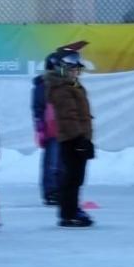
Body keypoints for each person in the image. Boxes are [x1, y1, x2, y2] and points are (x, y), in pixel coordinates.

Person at [45, 50, 95, 229]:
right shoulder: (61, 89)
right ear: (62, 69)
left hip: (79, 137)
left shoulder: (73, 85)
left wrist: (86, 138)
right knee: (72, 177)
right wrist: (79, 139)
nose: (76, 72)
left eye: (77, 69)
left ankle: (72, 209)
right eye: (72, 69)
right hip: (72, 139)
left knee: (77, 177)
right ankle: (68, 213)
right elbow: (68, 116)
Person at [31, 51, 63, 206]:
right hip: (51, 129)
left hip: (66, 128)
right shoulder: (43, 85)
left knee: (64, 162)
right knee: (52, 161)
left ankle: (62, 189)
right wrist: (40, 127)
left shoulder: (66, 84)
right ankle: (50, 191)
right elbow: (38, 108)